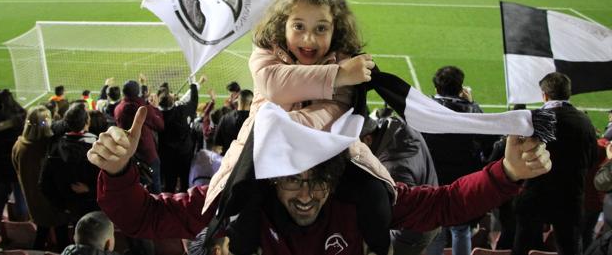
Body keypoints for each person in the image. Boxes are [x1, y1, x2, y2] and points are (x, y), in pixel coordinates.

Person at [87, 105, 552, 255]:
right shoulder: (239, 200)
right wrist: (118, 172)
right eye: (294, 182)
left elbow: (446, 204)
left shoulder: (363, 196)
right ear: (271, 179)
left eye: (318, 182)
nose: (307, 196)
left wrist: (507, 173)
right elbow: (143, 216)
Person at [202, 0, 395, 255]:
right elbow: (274, 84)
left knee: (375, 196)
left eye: (321, 29)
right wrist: (339, 75)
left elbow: (334, 112)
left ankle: (378, 249)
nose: (308, 39)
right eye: (299, 26)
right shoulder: (266, 51)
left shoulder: (345, 57)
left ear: (336, 29)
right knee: (242, 206)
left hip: (329, 156)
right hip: (264, 154)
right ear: (283, 24)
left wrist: (286, 128)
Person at [512, 72, 598, 255]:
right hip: (570, 196)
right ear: (568, 93)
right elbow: (591, 160)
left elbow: (516, 160)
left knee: (522, 244)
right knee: (570, 248)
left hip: (535, 194)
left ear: (544, 95)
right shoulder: (585, 122)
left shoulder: (533, 119)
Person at [424, 66, 497, 255]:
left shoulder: (425, 110)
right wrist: (473, 104)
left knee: (435, 230)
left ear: (436, 88)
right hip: (462, 183)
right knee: (461, 230)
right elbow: (491, 139)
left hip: (433, 181)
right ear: (460, 88)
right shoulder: (471, 112)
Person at [361, 110, 440, 255]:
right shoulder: (399, 126)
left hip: (413, 232)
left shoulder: (393, 169)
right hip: (430, 216)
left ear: (367, 139)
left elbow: (395, 213)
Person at [12, 106, 70, 250]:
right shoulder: (48, 147)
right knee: (62, 236)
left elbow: (16, 169)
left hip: (34, 201)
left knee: (42, 232)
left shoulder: (19, 145)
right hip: (53, 202)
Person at [39, 103, 100, 226]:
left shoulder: (55, 149)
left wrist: (62, 206)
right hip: (94, 206)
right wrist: (91, 190)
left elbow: (44, 184)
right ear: (87, 122)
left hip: (71, 208)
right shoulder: (97, 148)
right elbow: (110, 183)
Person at [0, 89, 28, 243]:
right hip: (16, 164)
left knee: (0, 197)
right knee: (20, 196)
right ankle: (23, 229)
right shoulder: (20, 118)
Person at [114, 80, 164, 193]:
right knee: (155, 184)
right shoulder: (143, 109)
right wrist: (155, 108)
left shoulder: (118, 108)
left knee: (136, 186)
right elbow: (160, 125)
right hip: (147, 154)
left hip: (130, 154)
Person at [157, 80, 199, 192]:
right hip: (184, 153)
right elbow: (194, 102)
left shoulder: (156, 114)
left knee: (170, 183)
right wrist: (193, 85)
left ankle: (168, 204)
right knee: (185, 182)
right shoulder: (182, 110)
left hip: (167, 156)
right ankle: (183, 203)